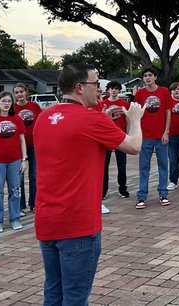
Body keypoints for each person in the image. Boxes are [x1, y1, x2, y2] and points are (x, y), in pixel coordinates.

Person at [33, 63, 144, 306]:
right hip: (78, 223)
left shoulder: (43, 117)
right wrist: (135, 119)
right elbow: (134, 146)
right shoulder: (91, 120)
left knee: (53, 291)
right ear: (79, 87)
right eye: (96, 83)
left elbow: (73, 140)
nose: (101, 90)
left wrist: (102, 120)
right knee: (75, 296)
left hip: (47, 219)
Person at [0, 91, 27, 233]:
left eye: (9, 101)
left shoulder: (17, 119)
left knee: (15, 191)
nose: (6, 104)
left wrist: (24, 160)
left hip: (15, 161)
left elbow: (22, 140)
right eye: (3, 101)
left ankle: (15, 219)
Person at [134, 67, 171, 209]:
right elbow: (136, 115)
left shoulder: (164, 91)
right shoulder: (140, 94)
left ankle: (163, 194)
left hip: (160, 135)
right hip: (145, 136)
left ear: (155, 77)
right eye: (145, 76)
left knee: (163, 166)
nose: (147, 78)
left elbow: (168, 112)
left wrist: (166, 131)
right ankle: (142, 196)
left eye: (150, 75)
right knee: (144, 167)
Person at [13, 83, 42, 216]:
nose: (19, 94)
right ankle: (20, 206)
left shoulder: (34, 106)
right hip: (19, 146)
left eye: (21, 91)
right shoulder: (12, 108)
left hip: (34, 144)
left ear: (26, 92)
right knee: (19, 176)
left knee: (34, 175)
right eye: (16, 92)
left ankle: (34, 204)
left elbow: (41, 122)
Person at [101, 80, 131, 199]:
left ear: (119, 90)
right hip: (107, 138)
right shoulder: (103, 104)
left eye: (116, 89)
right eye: (111, 88)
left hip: (120, 137)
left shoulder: (124, 104)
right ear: (108, 90)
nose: (114, 90)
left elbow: (128, 121)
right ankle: (103, 190)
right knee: (104, 165)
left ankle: (122, 188)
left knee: (122, 165)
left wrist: (128, 136)